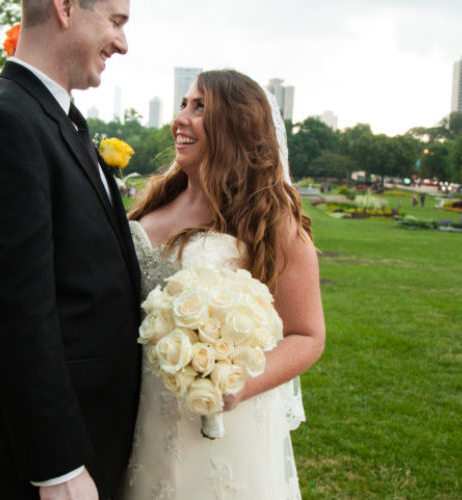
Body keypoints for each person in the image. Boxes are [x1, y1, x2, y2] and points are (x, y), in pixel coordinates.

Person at [0, 1, 141, 498]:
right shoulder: (3, 125)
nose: (122, 43)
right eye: (116, 21)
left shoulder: (52, 116)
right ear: (66, 8)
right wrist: (58, 469)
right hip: (40, 467)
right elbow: (14, 314)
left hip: (91, 436)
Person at [122, 70, 325, 499]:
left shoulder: (272, 222)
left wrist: (235, 384)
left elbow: (307, 335)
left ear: (236, 125)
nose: (182, 118)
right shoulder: (154, 203)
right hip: (137, 416)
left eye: (200, 108)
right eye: (183, 104)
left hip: (217, 427)